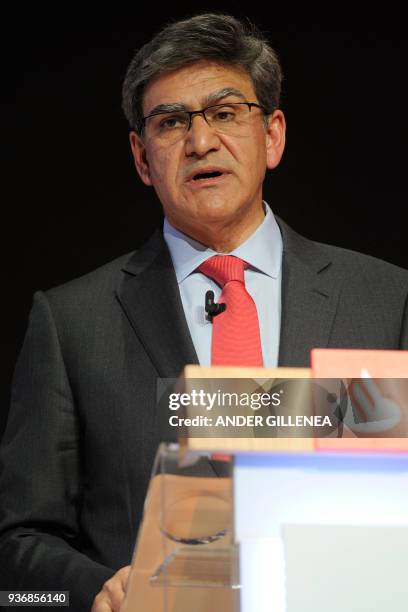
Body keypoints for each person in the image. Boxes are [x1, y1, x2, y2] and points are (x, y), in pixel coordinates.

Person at [1, 13, 407, 612]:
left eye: (224, 112)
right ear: (142, 158)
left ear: (272, 136)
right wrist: (92, 591)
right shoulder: (70, 323)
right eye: (171, 122)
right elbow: (17, 560)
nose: (200, 141)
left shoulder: (386, 298)